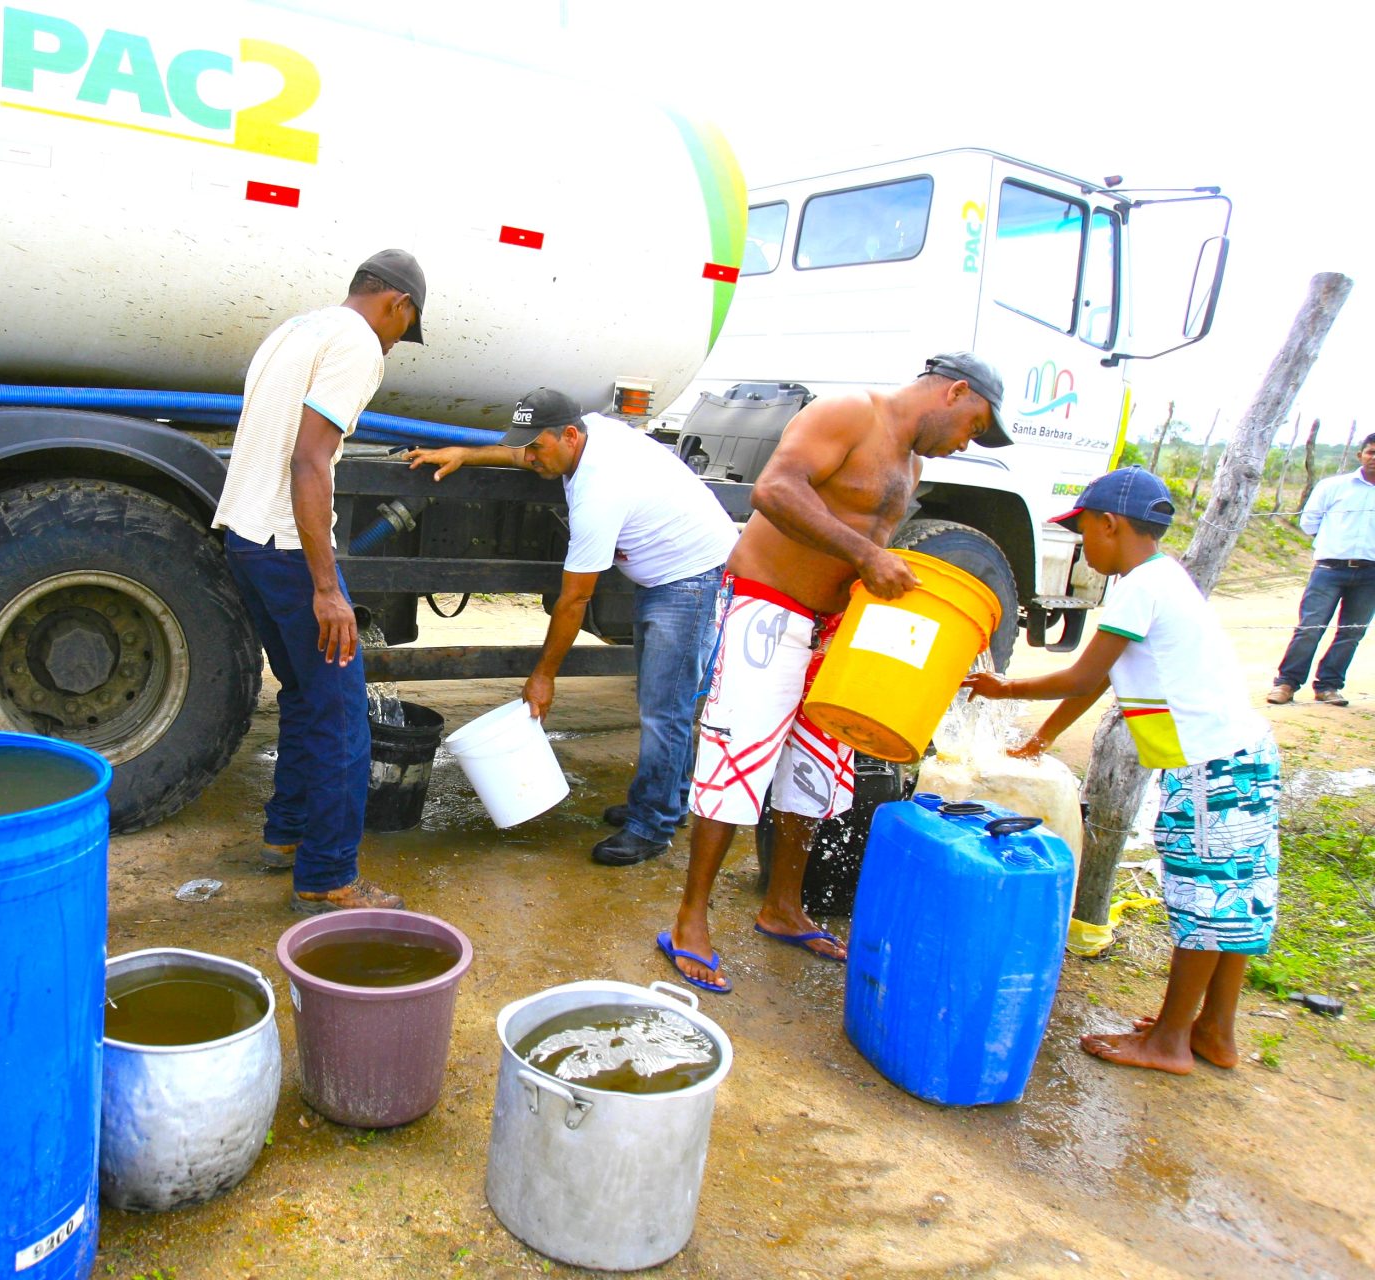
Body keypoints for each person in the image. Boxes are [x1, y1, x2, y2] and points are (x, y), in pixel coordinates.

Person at [659, 352, 1011, 990]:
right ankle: (690, 920)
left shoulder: (915, 462)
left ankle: (783, 907)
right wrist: (865, 552)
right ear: (955, 391)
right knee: (735, 763)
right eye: (974, 425)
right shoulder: (850, 413)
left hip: (834, 629)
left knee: (816, 773)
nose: (969, 443)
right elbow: (775, 490)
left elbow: (867, 547)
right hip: (765, 609)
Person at [969, 467, 1278, 1075]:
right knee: (1231, 899)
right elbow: (1106, 674)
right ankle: (1212, 1030)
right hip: (1238, 758)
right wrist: (1046, 735)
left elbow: (1082, 675)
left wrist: (1004, 686)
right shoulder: (1165, 579)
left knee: (1206, 901)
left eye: (1085, 535)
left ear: (1110, 524)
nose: (1085, 548)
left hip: (1208, 768)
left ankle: (1167, 1041)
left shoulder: (1138, 585)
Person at [404, 389, 738, 864]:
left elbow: (575, 598)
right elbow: (523, 451)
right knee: (663, 701)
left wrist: (543, 675)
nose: (529, 458)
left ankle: (654, 826)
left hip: (691, 579)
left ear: (569, 435)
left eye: (537, 449)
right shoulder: (583, 434)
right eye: (527, 447)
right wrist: (467, 453)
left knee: (664, 708)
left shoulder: (599, 488)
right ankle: (667, 801)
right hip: (670, 573)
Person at [211, 249, 426, 913]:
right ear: (398, 305)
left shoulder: (295, 330)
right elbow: (310, 460)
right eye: (404, 327)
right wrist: (327, 587)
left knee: (307, 695)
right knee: (341, 717)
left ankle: (288, 833)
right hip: (284, 545)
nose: (397, 340)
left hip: (245, 538)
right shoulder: (358, 343)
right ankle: (329, 874)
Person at [1268, 433, 1375, 707]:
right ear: (1360, 455)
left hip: (1370, 575)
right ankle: (1286, 683)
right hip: (1329, 569)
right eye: (1371, 452)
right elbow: (1309, 523)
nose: (1374, 459)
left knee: (1351, 632)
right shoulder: (1334, 487)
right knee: (1310, 627)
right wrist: (1335, 544)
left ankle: (1328, 686)